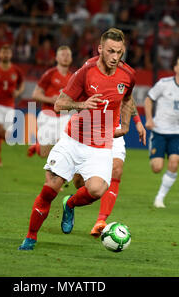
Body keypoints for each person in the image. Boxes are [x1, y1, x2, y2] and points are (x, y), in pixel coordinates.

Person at [18, 28, 137, 250]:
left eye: (119, 52)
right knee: (50, 188)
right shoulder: (86, 71)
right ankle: (31, 237)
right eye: (110, 51)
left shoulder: (128, 75)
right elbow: (59, 104)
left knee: (96, 190)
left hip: (101, 145)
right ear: (100, 49)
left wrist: (128, 124)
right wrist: (82, 104)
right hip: (73, 140)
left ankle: (70, 204)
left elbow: (128, 99)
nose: (115, 57)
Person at [73, 111, 146, 237]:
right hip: (89, 128)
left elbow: (128, 100)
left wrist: (138, 122)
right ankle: (70, 202)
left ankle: (100, 221)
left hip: (113, 128)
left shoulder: (122, 90)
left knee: (116, 170)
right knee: (79, 183)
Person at [144, 54, 179, 208]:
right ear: (175, 68)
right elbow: (149, 99)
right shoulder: (164, 84)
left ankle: (159, 198)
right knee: (157, 168)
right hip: (159, 131)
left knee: (174, 162)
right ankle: (153, 148)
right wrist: (149, 119)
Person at [27, 45, 73, 158]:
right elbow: (35, 94)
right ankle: (36, 147)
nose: (65, 57)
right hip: (48, 116)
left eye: (68, 55)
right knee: (44, 154)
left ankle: (56, 174)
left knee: (62, 151)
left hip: (64, 117)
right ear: (56, 58)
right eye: (62, 55)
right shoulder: (50, 74)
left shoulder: (73, 78)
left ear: (71, 58)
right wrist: (50, 100)